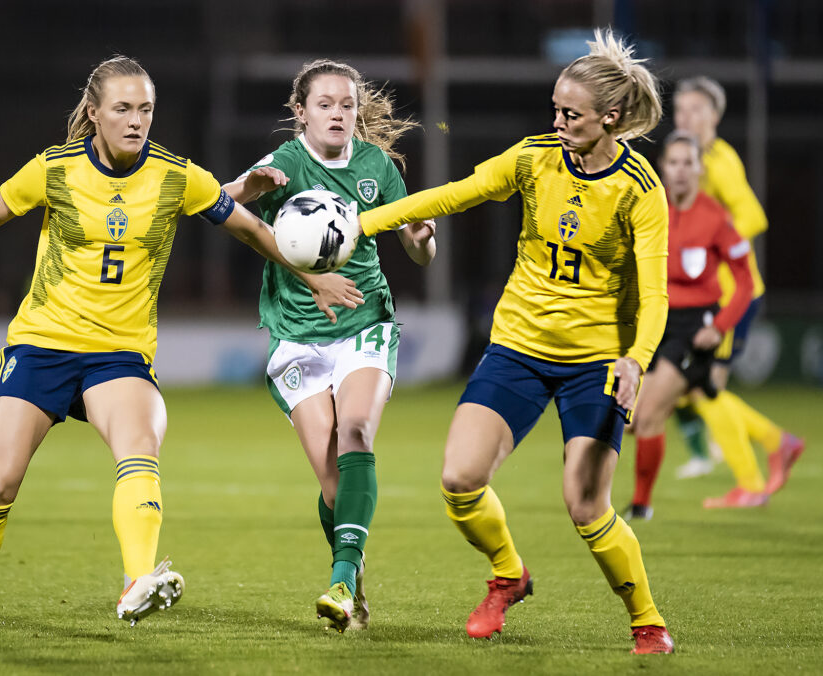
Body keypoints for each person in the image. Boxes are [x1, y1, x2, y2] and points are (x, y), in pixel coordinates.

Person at [0, 55, 360, 640]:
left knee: (141, 445)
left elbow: (248, 226)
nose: (137, 121)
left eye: (146, 110)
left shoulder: (174, 175)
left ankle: (139, 578)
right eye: (123, 109)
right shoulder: (53, 170)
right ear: (94, 113)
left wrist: (313, 277)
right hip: (42, 345)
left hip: (121, 355)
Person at [356, 30, 674, 654]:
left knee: (586, 507)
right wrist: (363, 223)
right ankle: (509, 574)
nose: (556, 121)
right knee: (459, 478)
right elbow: (456, 194)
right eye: (554, 107)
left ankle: (647, 619)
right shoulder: (534, 157)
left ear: (610, 118)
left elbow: (656, 293)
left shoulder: (640, 188)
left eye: (570, 113)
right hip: (519, 348)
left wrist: (637, 361)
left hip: (595, 363)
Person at [223, 59, 436, 633]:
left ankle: (341, 581)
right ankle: (355, 579)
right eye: (325, 104)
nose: (338, 113)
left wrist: (422, 239)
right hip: (296, 338)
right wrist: (251, 187)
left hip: (364, 321)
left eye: (346, 104)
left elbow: (417, 251)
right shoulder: (284, 163)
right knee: (330, 480)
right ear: (300, 112)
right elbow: (218, 205)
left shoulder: (377, 167)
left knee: (356, 433)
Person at [671, 76, 804, 492]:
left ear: (715, 115)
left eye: (695, 110)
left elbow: (753, 217)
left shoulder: (717, 161)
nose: (685, 117)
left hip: (729, 295)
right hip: (716, 294)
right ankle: (769, 449)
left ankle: (762, 458)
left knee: (702, 389)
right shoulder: (702, 157)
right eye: (680, 110)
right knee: (695, 388)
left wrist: (714, 242)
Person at [623, 130, 755, 521]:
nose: (680, 171)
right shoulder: (650, 206)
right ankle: (636, 504)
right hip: (653, 319)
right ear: (663, 166)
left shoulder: (716, 218)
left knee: (647, 414)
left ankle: (641, 506)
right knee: (629, 418)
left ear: (699, 170)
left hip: (693, 328)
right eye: (674, 162)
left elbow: (745, 280)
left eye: (688, 163)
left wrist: (720, 326)